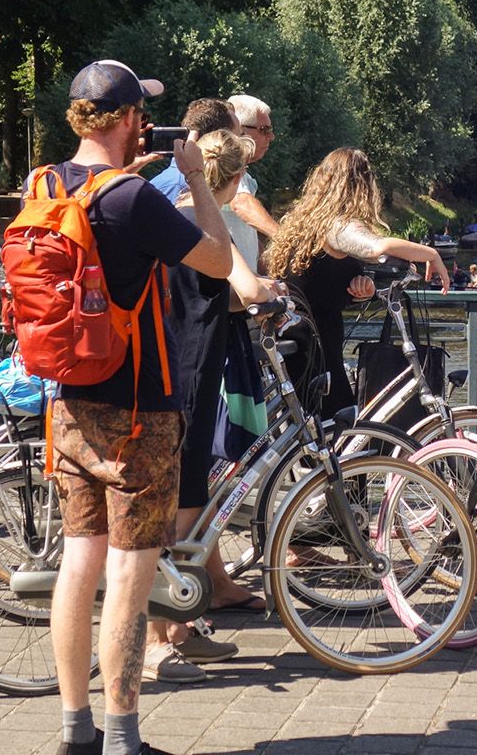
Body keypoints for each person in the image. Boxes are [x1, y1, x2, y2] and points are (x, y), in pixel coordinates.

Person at [47, 60, 232, 755]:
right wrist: (191, 178)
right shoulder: (130, 197)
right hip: (137, 414)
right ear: (128, 120)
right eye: (141, 113)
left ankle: (75, 731)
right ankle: (123, 736)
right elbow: (214, 258)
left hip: (68, 407)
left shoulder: (46, 184)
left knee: (78, 564)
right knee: (129, 571)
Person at [144, 115, 282, 684]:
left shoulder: (178, 215)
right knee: (178, 504)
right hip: (190, 372)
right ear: (235, 174)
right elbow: (239, 282)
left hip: (181, 365)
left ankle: (181, 624)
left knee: (190, 499)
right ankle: (159, 638)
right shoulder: (201, 223)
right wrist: (273, 291)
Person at [265, 147, 449, 419]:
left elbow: (319, 280)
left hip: (297, 335)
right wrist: (431, 254)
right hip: (315, 350)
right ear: (361, 186)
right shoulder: (336, 225)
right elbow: (376, 247)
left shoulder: (305, 223)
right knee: (336, 429)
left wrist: (360, 287)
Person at [151, 93, 280, 248]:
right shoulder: (181, 186)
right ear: (217, 139)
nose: (272, 136)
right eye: (239, 136)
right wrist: (288, 241)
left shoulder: (196, 180)